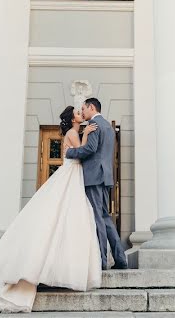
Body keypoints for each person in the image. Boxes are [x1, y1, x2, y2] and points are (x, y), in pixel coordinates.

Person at [0, 106, 102, 313]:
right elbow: (80, 153)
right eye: (77, 112)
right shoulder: (72, 133)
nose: (80, 114)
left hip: (72, 176)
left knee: (69, 218)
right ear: (73, 119)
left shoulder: (73, 131)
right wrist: (86, 134)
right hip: (71, 175)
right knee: (61, 217)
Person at [64, 97, 128, 270]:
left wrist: (69, 152)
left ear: (91, 107)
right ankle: (120, 259)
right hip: (105, 176)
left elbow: (90, 149)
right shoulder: (108, 126)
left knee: (98, 218)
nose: (82, 112)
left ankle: (101, 261)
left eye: (83, 109)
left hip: (94, 177)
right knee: (105, 217)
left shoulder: (94, 125)